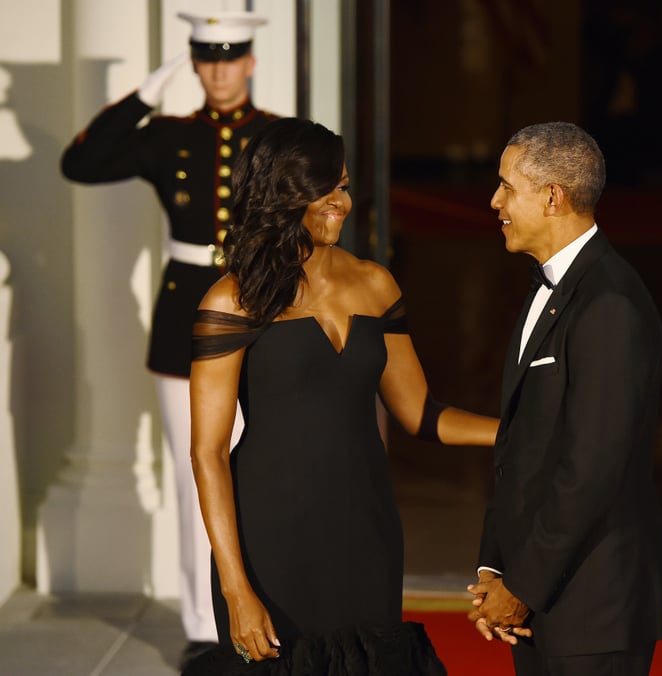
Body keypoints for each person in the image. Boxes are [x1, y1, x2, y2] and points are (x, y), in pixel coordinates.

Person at [184, 117, 498, 674]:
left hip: (364, 528)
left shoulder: (377, 284)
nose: (340, 203)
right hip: (272, 534)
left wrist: (519, 427)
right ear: (284, 195)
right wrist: (236, 589)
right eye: (324, 190)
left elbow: (420, 414)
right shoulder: (233, 300)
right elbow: (207, 453)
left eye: (345, 186)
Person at [59, 11, 278, 668]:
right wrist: (144, 95)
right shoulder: (168, 135)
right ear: (192, 63)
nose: (218, 70)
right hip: (184, 312)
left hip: (258, 307)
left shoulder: (274, 137)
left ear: (250, 61)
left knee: (260, 469)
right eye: (205, 58)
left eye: (230, 57)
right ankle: (206, 627)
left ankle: (264, 604)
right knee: (195, 475)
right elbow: (82, 161)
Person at [467, 121, 662, 675]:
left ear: (552, 197)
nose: (495, 202)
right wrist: (493, 568)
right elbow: (520, 447)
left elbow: (592, 469)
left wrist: (522, 586)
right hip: (541, 598)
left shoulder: (610, 305)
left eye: (507, 187)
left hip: (593, 607)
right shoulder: (550, 287)